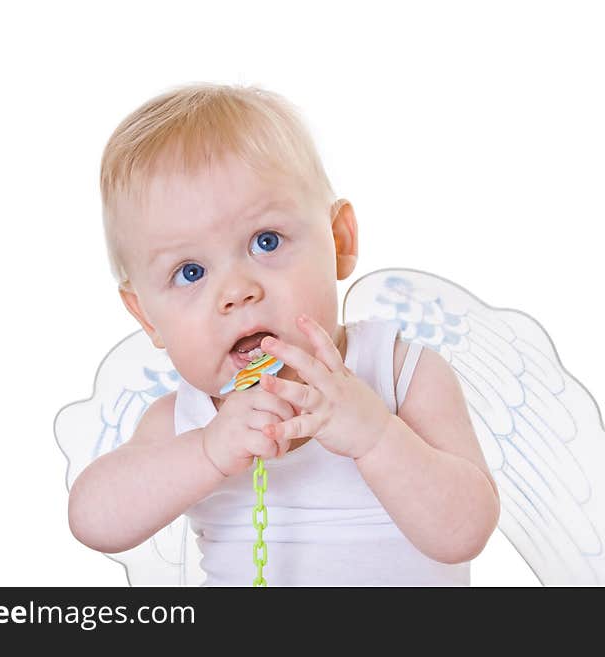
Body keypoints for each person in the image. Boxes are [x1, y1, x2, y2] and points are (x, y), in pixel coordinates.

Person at [67, 82, 500, 585]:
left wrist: (377, 435)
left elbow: (464, 532)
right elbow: (93, 520)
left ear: (339, 242)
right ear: (147, 318)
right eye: (190, 272)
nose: (236, 292)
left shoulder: (401, 374)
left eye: (265, 242)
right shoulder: (185, 422)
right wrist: (208, 451)